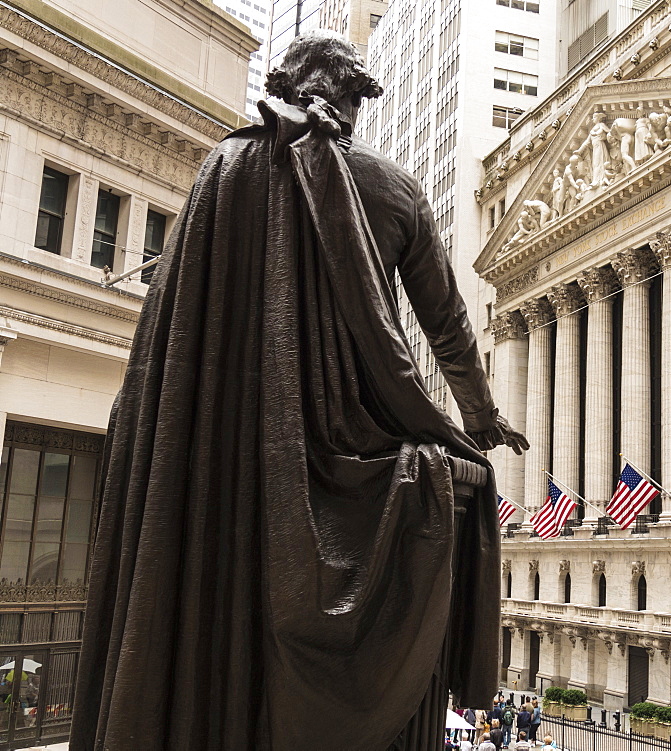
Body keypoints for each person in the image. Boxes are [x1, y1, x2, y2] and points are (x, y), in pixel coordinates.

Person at [70, 29, 527, 751]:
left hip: (236, 451)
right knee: (452, 479)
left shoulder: (224, 167)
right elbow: (446, 324)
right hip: (356, 446)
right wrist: (480, 416)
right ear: (352, 102)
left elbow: (171, 342)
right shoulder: (397, 189)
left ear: (289, 85)